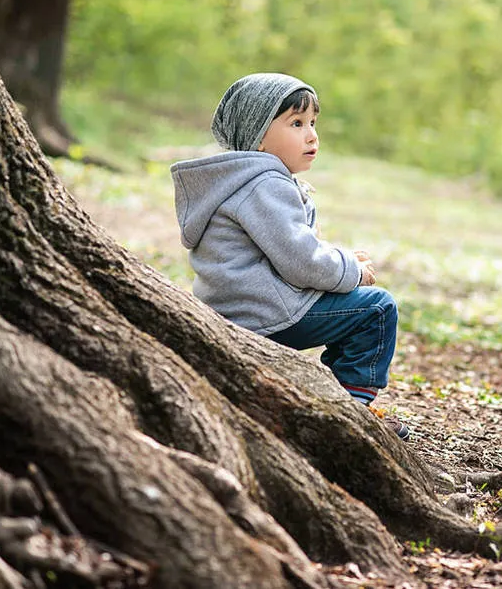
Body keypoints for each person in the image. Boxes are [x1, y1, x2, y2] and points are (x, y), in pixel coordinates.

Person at [169, 73, 410, 440]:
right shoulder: (264, 184)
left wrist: (339, 257)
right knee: (375, 309)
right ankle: (350, 411)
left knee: (352, 304)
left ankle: (337, 398)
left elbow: (286, 246)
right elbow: (301, 261)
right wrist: (351, 271)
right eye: (296, 123)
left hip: (238, 306)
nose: (311, 135)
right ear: (257, 135)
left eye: (313, 123)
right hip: (263, 315)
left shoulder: (239, 180)